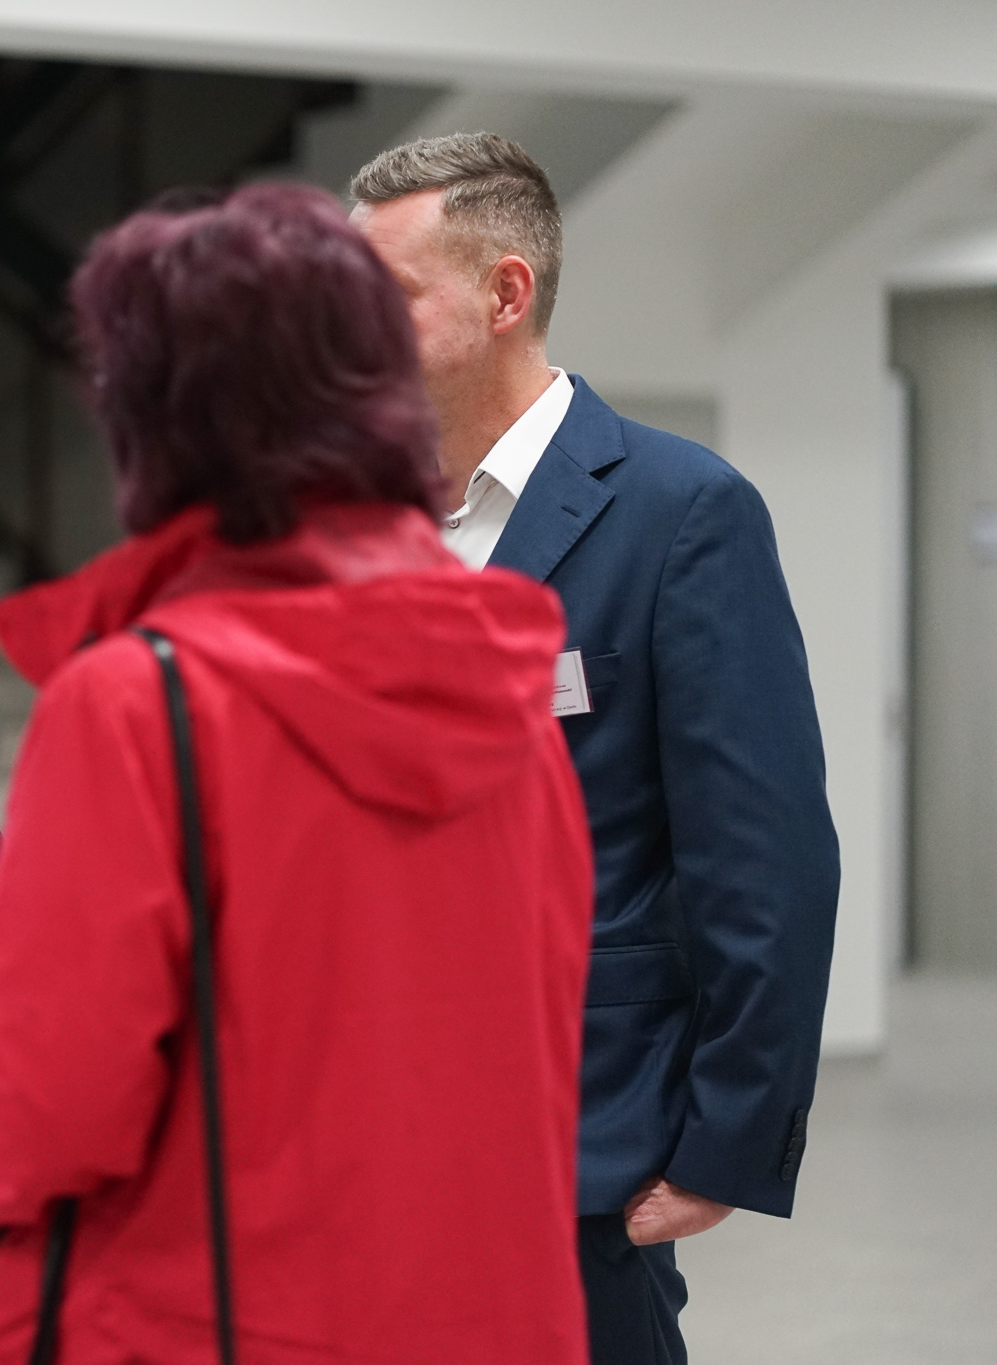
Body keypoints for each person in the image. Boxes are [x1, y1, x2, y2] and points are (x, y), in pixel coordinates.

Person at [0, 184, 593, 1365]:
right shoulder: (503, 682)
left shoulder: (141, 702)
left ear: (155, 414)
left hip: (191, 1322)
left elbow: (29, 1118)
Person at [350, 133, 840, 1365]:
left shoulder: (678, 513)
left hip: (576, 1138)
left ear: (504, 295)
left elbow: (764, 859)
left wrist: (726, 1142)